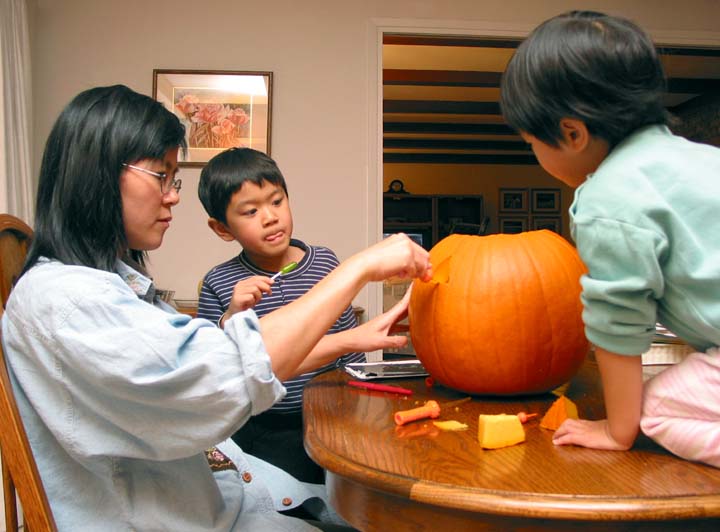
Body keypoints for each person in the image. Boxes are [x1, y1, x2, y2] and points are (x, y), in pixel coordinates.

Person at [0, 84, 432, 531]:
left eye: (174, 179)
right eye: (161, 175)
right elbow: (226, 371)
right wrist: (360, 268)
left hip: (236, 493)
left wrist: (354, 334)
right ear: (99, 176)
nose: (173, 195)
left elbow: (223, 363)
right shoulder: (65, 301)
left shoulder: (109, 288)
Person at [500, 10, 720, 468]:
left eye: (530, 142)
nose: (534, 152)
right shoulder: (700, 159)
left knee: (655, 408)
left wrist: (619, 429)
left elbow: (618, 323)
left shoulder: (606, 199)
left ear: (572, 133)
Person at [197, 147, 366, 484]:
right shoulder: (220, 282)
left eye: (277, 201)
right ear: (222, 228)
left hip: (332, 415)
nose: (270, 217)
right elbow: (213, 368)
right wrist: (231, 315)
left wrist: (358, 403)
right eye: (250, 211)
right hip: (263, 429)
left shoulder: (325, 263)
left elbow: (352, 347)